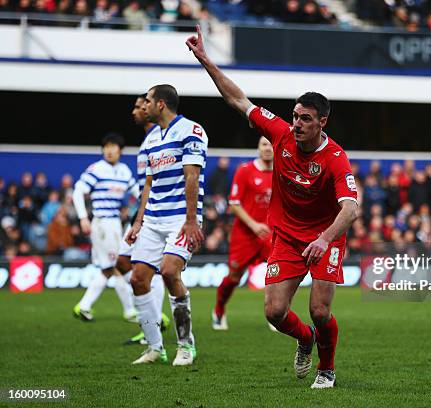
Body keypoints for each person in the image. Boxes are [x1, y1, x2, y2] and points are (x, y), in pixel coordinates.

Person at [186, 25, 359, 388]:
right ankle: (305, 339)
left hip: (326, 239)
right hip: (288, 237)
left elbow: (350, 209)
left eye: (306, 119)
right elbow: (238, 100)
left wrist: (326, 239)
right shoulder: (279, 133)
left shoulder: (336, 158)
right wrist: (205, 60)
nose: (296, 123)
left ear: (322, 122)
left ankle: (326, 370)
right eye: (295, 116)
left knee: (319, 310)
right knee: (275, 311)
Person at [127, 84, 206, 366]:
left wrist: (190, 221)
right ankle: (155, 347)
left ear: (160, 104)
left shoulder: (191, 131)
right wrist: (138, 222)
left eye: (147, 101)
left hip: (180, 220)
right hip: (153, 220)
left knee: (170, 272)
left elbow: (191, 177)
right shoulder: (150, 140)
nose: (143, 105)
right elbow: (148, 184)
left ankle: (185, 345)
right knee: (137, 279)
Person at [118, 94, 170, 346]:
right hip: (144, 214)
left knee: (146, 270)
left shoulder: (159, 137)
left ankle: (152, 323)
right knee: (124, 262)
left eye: (140, 106)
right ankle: (152, 318)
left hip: (155, 215)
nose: (135, 111)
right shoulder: (149, 139)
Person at [72, 134, 140, 322]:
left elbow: (139, 193)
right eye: (106, 146)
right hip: (102, 223)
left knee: (109, 268)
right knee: (117, 266)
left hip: (115, 224)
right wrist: (83, 218)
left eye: (113, 146)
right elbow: (78, 192)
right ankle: (129, 310)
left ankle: (84, 307)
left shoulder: (124, 171)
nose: (109, 150)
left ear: (120, 150)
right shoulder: (97, 169)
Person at [213, 136, 273, 330]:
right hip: (245, 233)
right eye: (264, 144)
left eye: (272, 145)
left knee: (278, 274)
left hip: (270, 233)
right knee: (234, 276)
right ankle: (219, 309)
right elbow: (234, 203)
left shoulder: (282, 173)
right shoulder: (245, 170)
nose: (268, 149)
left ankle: (276, 314)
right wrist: (254, 225)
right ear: (258, 148)